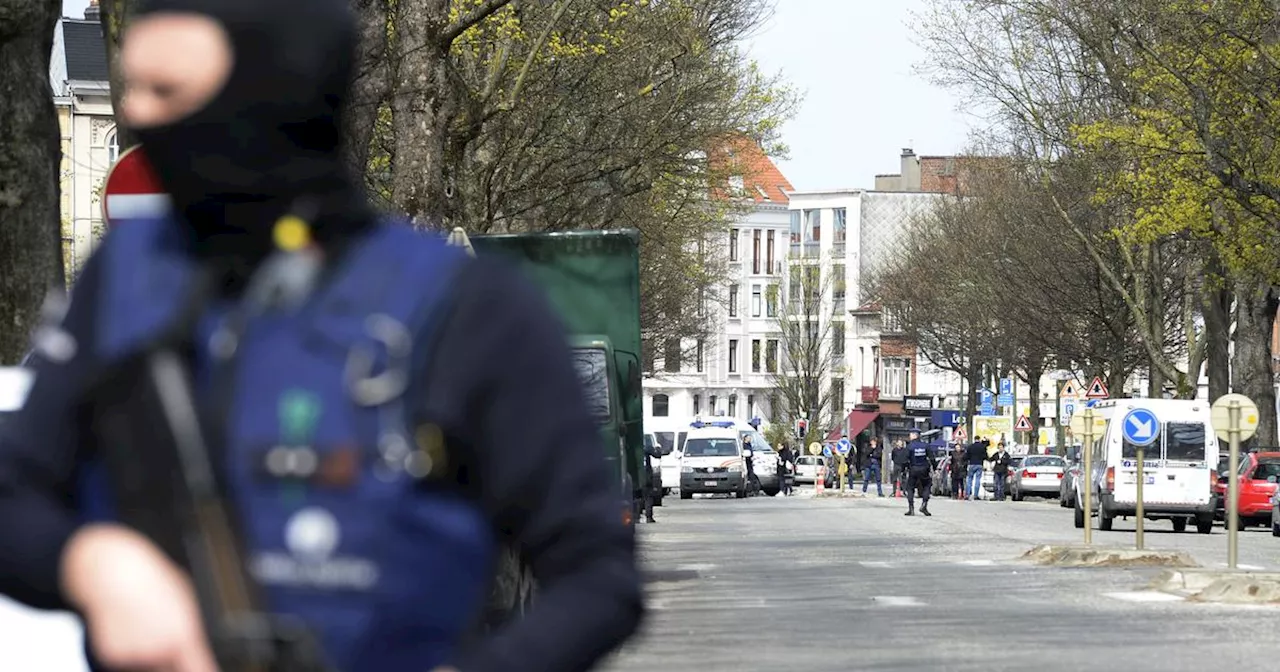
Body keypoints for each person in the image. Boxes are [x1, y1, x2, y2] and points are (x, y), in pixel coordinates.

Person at [0, 2, 643, 671]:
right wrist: (93, 565)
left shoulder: (469, 308)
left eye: (168, 92)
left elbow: (598, 579)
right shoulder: (125, 281)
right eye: (131, 87)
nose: (138, 116)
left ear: (268, 93)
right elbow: (12, 492)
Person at [904, 431, 937, 516]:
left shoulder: (909, 446)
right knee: (927, 486)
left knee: (910, 488)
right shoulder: (925, 445)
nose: (909, 436)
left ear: (915, 435)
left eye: (910, 434)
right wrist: (935, 468)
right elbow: (932, 458)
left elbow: (905, 459)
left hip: (913, 469)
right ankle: (924, 505)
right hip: (924, 469)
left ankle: (911, 509)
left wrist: (905, 468)